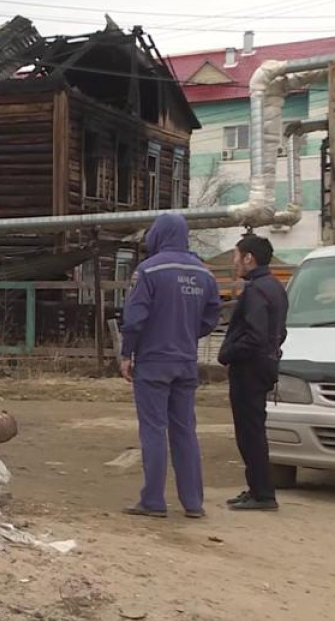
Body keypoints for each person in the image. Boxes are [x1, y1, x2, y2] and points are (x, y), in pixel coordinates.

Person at [119, 214, 221, 519]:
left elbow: (135, 319)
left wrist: (127, 354)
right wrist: (188, 333)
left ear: (158, 234)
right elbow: (212, 315)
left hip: (153, 362)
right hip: (186, 362)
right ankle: (193, 503)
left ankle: (153, 500)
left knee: (153, 430)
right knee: (185, 431)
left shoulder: (148, 270)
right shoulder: (204, 274)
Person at [218, 234, 288, 512]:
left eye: (236, 255)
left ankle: (262, 494)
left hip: (249, 369)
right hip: (265, 365)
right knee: (254, 430)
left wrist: (228, 353)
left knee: (250, 433)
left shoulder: (257, 290)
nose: (234, 261)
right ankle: (258, 488)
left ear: (249, 258)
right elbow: (279, 332)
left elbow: (255, 335)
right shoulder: (275, 287)